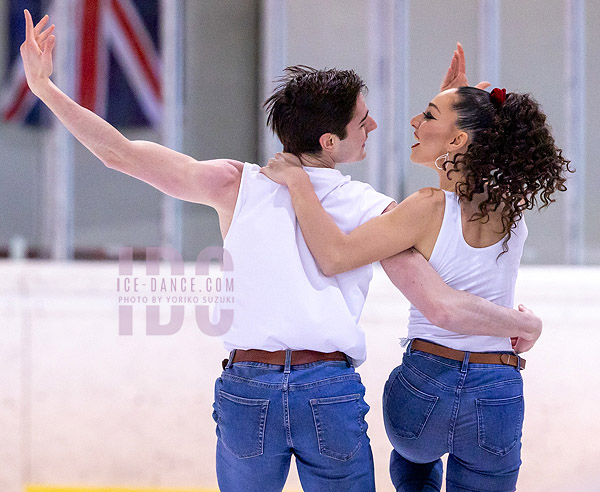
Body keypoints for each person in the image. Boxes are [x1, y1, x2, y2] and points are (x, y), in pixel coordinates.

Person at [20, 11, 543, 492]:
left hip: (248, 390)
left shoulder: (234, 184)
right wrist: (516, 323)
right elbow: (439, 299)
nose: (376, 127)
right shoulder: (375, 209)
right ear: (330, 141)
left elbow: (121, 155)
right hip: (328, 393)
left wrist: (45, 89)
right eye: (364, 121)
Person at [261, 82, 571, 491]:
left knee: (413, 458)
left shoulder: (425, 207)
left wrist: (299, 183)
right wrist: (454, 102)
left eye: (426, 116)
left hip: (427, 387)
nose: (413, 122)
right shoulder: (510, 209)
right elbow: (465, 179)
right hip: (498, 389)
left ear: (458, 139)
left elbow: (335, 255)